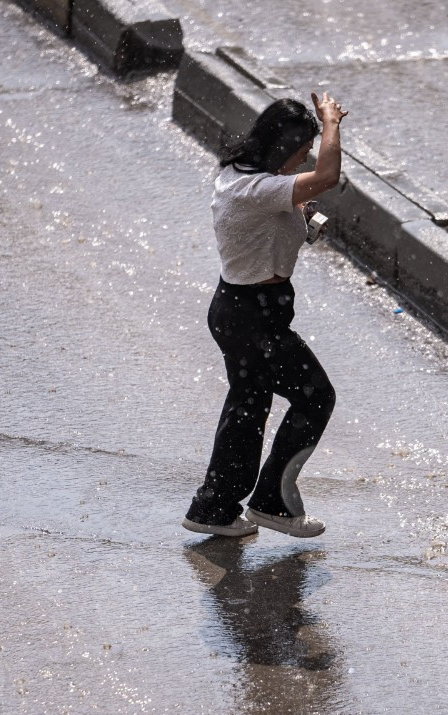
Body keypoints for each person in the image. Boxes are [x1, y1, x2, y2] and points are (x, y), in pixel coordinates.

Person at [183, 92, 349, 538]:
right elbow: (328, 176)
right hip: (254, 318)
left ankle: (213, 507)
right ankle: (272, 502)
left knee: (248, 404)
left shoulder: (240, 175)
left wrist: (300, 216)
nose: (305, 159)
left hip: (238, 309)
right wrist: (331, 124)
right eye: (302, 151)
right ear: (282, 147)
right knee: (315, 397)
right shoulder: (259, 189)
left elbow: (267, 221)